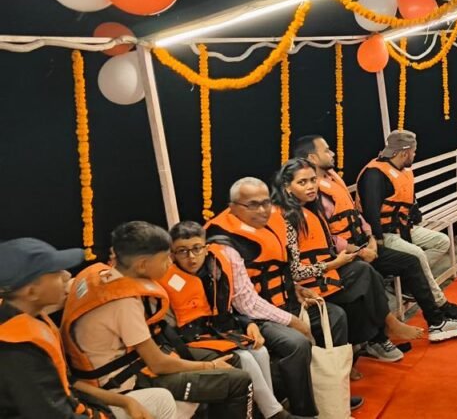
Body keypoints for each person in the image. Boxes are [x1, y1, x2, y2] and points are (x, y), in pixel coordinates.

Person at [61, 222, 254, 418]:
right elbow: (158, 364)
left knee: (232, 360)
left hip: (128, 365)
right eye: (164, 259)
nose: (170, 264)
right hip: (124, 383)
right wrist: (210, 366)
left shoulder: (99, 275)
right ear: (143, 264)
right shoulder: (123, 304)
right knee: (239, 381)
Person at [293, 135, 457, 342]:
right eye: (327, 150)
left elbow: (354, 213)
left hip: (368, 241)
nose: (332, 153)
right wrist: (363, 248)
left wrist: (369, 237)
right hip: (344, 255)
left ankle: (435, 321)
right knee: (388, 267)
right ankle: (388, 335)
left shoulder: (332, 179)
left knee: (412, 260)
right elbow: (328, 236)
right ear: (312, 158)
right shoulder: (314, 196)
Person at [206, 177, 363, 412]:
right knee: (296, 342)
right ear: (233, 206)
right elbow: (246, 303)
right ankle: (302, 409)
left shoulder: (276, 222)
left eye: (265, 202)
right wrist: (292, 321)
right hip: (250, 318)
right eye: (252, 205)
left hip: (282, 300)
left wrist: (296, 288)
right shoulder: (225, 244)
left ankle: (329, 388)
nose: (262, 210)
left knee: (335, 316)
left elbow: (282, 269)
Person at [0, 237, 177, 419]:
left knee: (160, 399)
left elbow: (68, 384)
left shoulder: (28, 315)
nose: (67, 276)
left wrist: (126, 402)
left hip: (79, 403)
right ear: (31, 292)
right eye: (55, 272)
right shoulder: (16, 351)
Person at [272, 158, 427, 361]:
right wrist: (334, 264)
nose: (310, 187)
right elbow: (294, 271)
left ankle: (381, 333)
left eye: (312, 180)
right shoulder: (287, 219)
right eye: (302, 182)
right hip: (305, 286)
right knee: (360, 283)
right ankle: (381, 333)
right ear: (286, 186)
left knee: (365, 272)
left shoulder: (311, 209)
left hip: (325, 272)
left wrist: (360, 246)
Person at [160, 221, 293, 419]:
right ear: (172, 254)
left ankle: (266, 410)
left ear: (206, 248)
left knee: (261, 351)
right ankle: (275, 414)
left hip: (219, 332)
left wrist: (249, 324)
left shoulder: (216, 270)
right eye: (182, 251)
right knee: (245, 358)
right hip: (188, 341)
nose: (191, 257)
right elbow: (167, 330)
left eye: (197, 248)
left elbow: (227, 310)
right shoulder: (164, 281)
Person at [357, 130, 457, 324]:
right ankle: (440, 303)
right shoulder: (374, 174)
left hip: (403, 228)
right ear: (403, 152)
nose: (414, 155)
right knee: (417, 255)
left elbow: (409, 202)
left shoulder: (404, 170)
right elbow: (370, 213)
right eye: (413, 152)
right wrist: (377, 238)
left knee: (442, 241)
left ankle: (406, 283)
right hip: (382, 234)